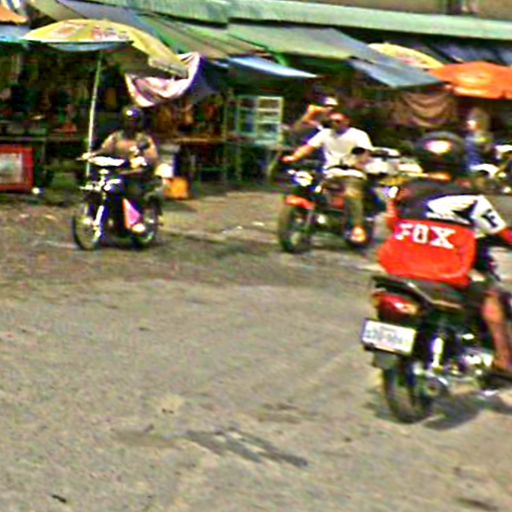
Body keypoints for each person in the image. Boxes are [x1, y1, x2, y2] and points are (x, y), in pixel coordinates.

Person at [381, 131, 512, 376]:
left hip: (399, 268)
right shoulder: (469, 199)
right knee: (491, 295)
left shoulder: (403, 192)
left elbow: (393, 224)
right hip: (445, 272)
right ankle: (504, 361)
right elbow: (503, 234)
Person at [282, 110, 374, 243]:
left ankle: (357, 227)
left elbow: (364, 153)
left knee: (351, 194)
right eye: (331, 121)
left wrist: (360, 162)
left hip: (351, 173)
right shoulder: (325, 134)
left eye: (338, 121)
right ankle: (305, 216)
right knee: (307, 187)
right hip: (329, 172)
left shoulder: (358, 135)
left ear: (347, 121)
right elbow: (309, 147)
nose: (334, 124)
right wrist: (294, 157)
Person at [84, 105, 159, 234]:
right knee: (98, 188)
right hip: (117, 173)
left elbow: (151, 155)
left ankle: (136, 221)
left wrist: (141, 161)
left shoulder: (143, 139)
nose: (130, 125)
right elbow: (105, 149)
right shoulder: (116, 137)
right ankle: (98, 216)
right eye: (127, 121)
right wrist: (92, 155)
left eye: (133, 121)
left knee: (133, 192)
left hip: (136, 175)